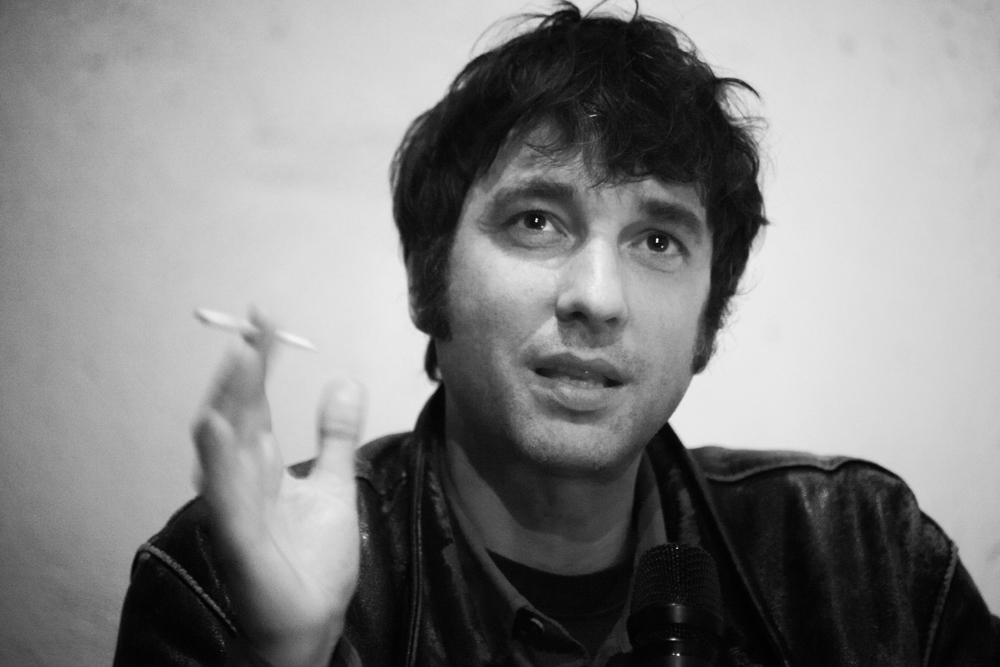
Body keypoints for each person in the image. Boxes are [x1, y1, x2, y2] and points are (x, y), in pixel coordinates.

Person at [113, 3, 1000, 666]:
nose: (597, 298)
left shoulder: (863, 554)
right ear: (428, 277)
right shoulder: (234, 570)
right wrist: (286, 657)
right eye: (536, 221)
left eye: (658, 240)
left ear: (709, 319)